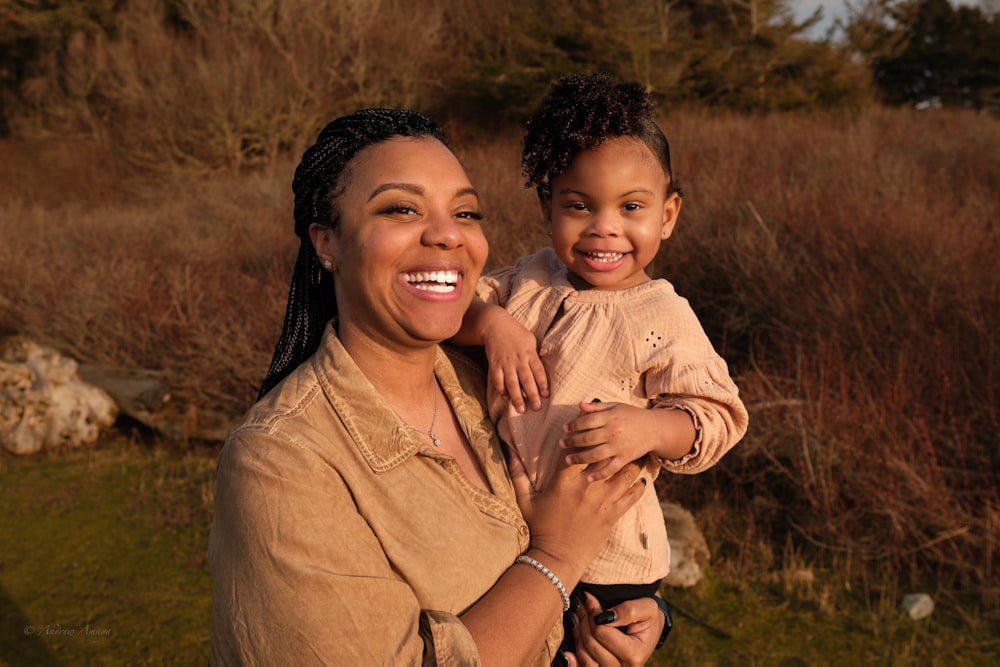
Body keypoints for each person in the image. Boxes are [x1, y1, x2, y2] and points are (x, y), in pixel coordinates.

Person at [208, 108, 670, 665]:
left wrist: (631, 618)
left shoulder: (498, 382)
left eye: (466, 212)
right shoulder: (280, 461)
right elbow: (561, 545)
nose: (449, 233)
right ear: (326, 241)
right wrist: (558, 557)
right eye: (401, 208)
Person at [453, 73, 749, 641]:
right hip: (512, 536)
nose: (604, 227)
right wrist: (492, 324)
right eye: (579, 205)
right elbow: (452, 310)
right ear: (548, 207)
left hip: (611, 562)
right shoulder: (529, 278)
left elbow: (719, 417)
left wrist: (649, 427)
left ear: (667, 214)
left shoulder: (660, 315)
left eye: (631, 206)